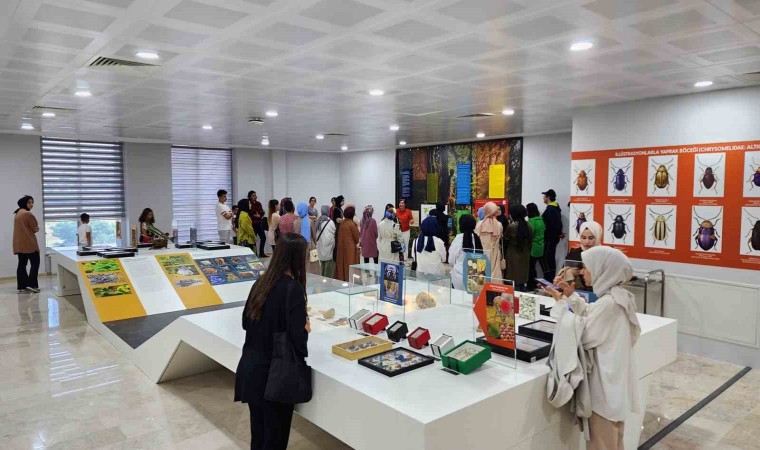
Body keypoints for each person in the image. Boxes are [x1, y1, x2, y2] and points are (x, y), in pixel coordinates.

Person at [544, 246, 641, 450]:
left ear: (602, 270)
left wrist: (561, 304)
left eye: (587, 267)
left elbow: (582, 334)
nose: (582, 272)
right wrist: (571, 297)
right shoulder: (616, 297)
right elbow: (592, 315)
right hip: (613, 388)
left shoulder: (609, 304)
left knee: (602, 444)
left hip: (604, 391)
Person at [235, 232, 310, 450]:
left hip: (251, 369)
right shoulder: (292, 289)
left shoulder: (260, 282)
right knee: (275, 439)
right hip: (276, 375)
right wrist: (305, 328)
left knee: (258, 435)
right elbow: (297, 340)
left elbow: (245, 322)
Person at [563, 220, 603, 292]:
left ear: (597, 237)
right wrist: (570, 273)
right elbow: (563, 272)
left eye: (591, 238)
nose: (587, 242)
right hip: (575, 292)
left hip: (599, 292)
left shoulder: (604, 254)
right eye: (583, 238)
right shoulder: (574, 253)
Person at [13, 196, 40, 293]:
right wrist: (36, 228)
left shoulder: (18, 213)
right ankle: (32, 285)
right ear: (24, 203)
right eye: (29, 202)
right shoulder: (28, 214)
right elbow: (35, 228)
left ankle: (22, 286)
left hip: (19, 245)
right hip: (30, 244)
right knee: (35, 263)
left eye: (32, 202)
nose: (31, 204)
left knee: (22, 264)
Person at [448, 214, 482, 291]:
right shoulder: (477, 238)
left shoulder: (459, 238)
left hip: (459, 275)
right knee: (473, 297)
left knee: (459, 297)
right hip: (477, 274)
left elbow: (451, 260)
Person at [504, 204, 533, 291]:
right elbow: (531, 242)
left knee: (513, 281)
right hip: (525, 254)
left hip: (512, 256)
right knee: (522, 280)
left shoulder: (512, 226)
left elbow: (505, 240)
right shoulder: (529, 225)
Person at [475, 202, 504, 280]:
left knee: (481, 278)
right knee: (494, 276)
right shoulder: (499, 225)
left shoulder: (479, 224)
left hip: (482, 252)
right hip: (495, 253)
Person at [541, 189, 564, 281]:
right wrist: (559, 233)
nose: (543, 198)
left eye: (544, 196)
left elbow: (552, 224)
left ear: (548, 197)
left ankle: (548, 279)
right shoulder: (556, 208)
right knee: (550, 257)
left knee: (546, 258)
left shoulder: (550, 209)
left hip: (549, 238)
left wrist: (556, 233)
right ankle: (551, 278)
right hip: (553, 238)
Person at [335, 206, 359, 281]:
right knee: (350, 266)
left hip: (341, 248)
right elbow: (357, 238)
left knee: (342, 265)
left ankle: (343, 279)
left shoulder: (342, 223)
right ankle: (350, 281)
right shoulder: (352, 224)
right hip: (350, 249)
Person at [295, 202, 319, 274]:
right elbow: (314, 235)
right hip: (309, 245)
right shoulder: (309, 221)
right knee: (310, 263)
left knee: (300, 262)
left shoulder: (295, 222)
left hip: (298, 245)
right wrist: (316, 244)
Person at [526, 203, 545, 290]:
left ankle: (531, 285)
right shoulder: (541, 220)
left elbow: (529, 235)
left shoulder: (531, 222)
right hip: (540, 247)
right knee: (534, 267)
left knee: (530, 268)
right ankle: (534, 284)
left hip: (532, 247)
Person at [316, 205, 336, 278]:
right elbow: (334, 232)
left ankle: (322, 280)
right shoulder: (330, 222)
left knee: (322, 266)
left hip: (320, 247)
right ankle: (327, 283)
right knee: (328, 269)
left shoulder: (318, 221)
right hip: (329, 248)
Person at [248, 191, 268, 257]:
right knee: (254, 239)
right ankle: (255, 253)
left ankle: (261, 253)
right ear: (250, 196)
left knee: (263, 237)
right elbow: (250, 213)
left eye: (255, 195)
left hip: (259, 223)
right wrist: (255, 214)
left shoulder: (258, 203)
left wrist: (259, 215)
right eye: (253, 195)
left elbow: (262, 212)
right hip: (252, 224)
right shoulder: (248, 203)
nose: (255, 196)